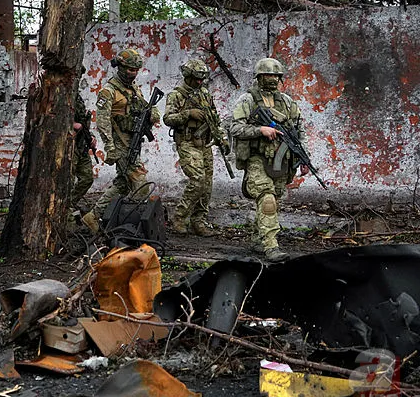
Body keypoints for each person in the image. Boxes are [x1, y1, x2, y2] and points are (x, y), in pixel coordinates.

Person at [230, 57, 309, 262]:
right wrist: (260, 130)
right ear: (259, 76)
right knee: (267, 197)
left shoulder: (287, 102)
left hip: (281, 159)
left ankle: (259, 240)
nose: (272, 79)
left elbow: (300, 131)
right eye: (268, 75)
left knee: (276, 197)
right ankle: (271, 247)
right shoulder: (247, 100)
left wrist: (304, 158)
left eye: (276, 75)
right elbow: (234, 128)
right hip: (258, 158)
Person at [81, 48, 160, 233]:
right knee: (140, 185)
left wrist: (152, 113)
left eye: (135, 70)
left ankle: (92, 216)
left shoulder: (133, 88)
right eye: (130, 69)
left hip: (133, 140)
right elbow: (102, 122)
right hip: (121, 144)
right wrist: (110, 147)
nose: (133, 73)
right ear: (121, 67)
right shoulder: (108, 91)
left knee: (122, 185)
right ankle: (138, 224)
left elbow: (145, 108)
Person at [163, 58, 227, 237]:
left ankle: (198, 221)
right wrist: (187, 114)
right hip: (187, 142)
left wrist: (222, 138)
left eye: (202, 79)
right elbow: (167, 118)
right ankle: (180, 217)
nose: (199, 82)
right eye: (196, 79)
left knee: (207, 184)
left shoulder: (205, 94)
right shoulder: (176, 95)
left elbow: (215, 118)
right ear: (188, 76)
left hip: (205, 143)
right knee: (197, 179)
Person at [70, 91, 96, 212]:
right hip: (68, 146)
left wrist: (91, 137)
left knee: (87, 178)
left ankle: (69, 203)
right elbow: (50, 116)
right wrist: (72, 124)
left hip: (81, 146)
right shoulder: (58, 93)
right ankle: (63, 208)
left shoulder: (76, 95)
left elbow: (82, 121)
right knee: (67, 181)